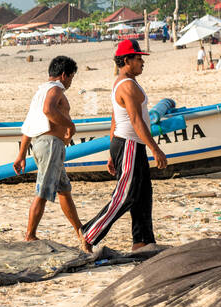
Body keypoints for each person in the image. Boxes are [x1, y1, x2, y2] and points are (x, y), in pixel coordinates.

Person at [81, 39, 168, 251]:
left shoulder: (126, 81)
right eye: (138, 59)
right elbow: (135, 120)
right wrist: (155, 149)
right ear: (127, 60)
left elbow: (114, 118)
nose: (142, 63)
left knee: (143, 195)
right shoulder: (126, 85)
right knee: (125, 195)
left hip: (128, 145)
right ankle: (89, 234)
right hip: (128, 144)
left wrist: (112, 152)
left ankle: (143, 241)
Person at [13, 55, 88, 251]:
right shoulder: (56, 89)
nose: (71, 82)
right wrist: (70, 125)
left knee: (64, 190)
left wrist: (21, 154)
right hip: (50, 145)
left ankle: (81, 232)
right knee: (43, 191)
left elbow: (28, 125)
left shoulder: (40, 92)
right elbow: (48, 110)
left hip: (42, 144)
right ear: (64, 75)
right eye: (71, 78)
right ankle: (30, 235)